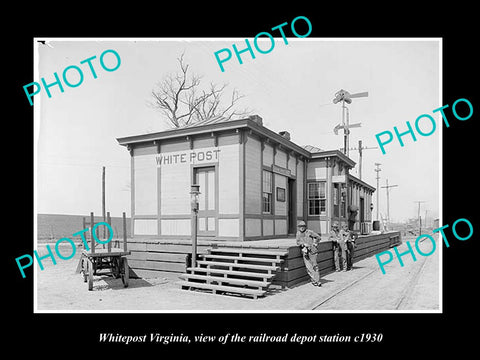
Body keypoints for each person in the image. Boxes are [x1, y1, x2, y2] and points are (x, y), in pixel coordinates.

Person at [296, 221, 322, 286]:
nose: (302, 228)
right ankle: (314, 280)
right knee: (309, 267)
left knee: (315, 266)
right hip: (305, 251)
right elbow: (298, 242)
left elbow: (318, 237)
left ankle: (317, 280)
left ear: (305, 227)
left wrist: (315, 243)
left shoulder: (309, 232)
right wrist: (303, 244)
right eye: (300, 227)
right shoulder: (298, 233)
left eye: (303, 226)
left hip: (312, 251)